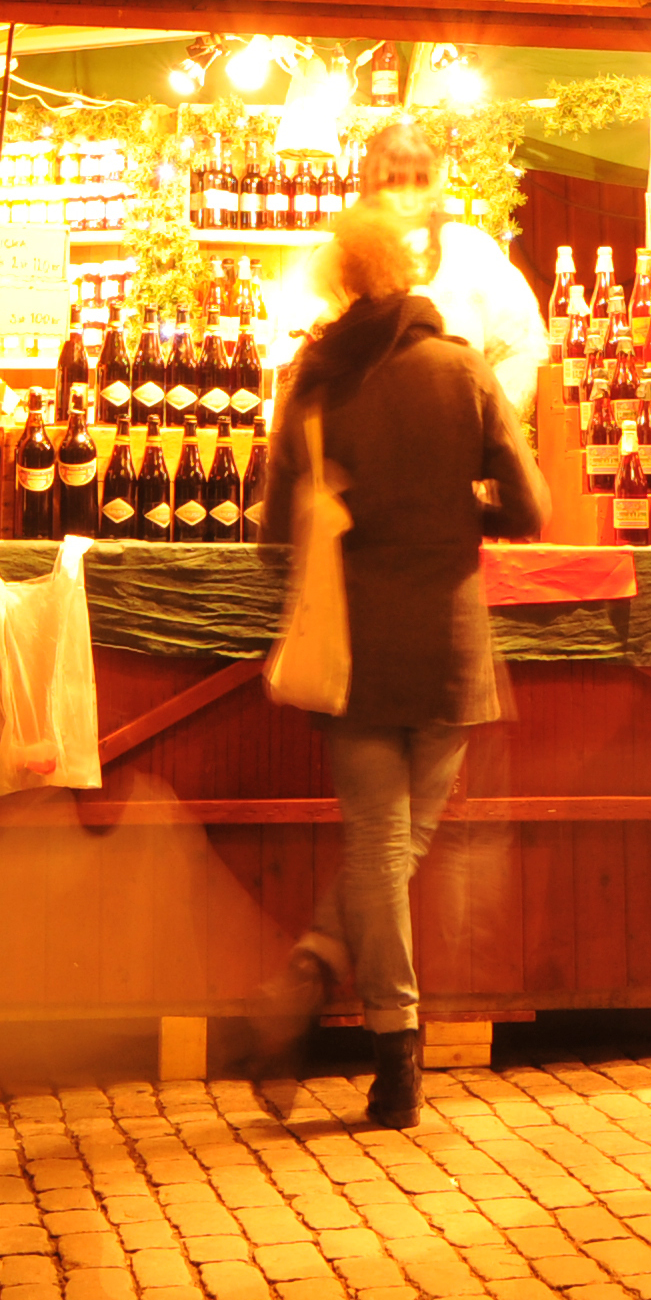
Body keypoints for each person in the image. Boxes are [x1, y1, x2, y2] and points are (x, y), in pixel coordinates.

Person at [244, 207, 548, 1132]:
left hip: (353, 647)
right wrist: (459, 520)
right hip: (450, 642)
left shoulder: (315, 384)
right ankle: (367, 1024)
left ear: (339, 282)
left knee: (382, 838)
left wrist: (347, 521)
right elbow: (529, 509)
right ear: (412, 274)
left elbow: (270, 542)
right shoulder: (462, 370)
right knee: (405, 839)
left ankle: (368, 1026)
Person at [264, 125, 551, 409]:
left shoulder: (472, 252)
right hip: (365, 437)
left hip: (459, 434)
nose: (408, 197)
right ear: (370, 185)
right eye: (394, 182)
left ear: (435, 184)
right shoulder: (335, 259)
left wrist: (484, 418)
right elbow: (300, 360)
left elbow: (523, 347)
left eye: (420, 181)